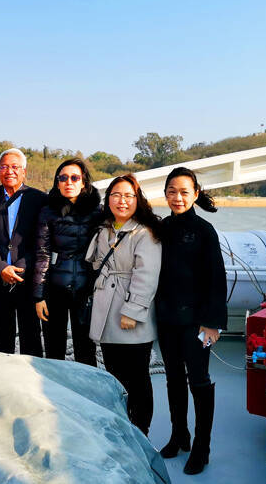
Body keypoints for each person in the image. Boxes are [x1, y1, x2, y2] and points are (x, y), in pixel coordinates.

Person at [156, 166, 228, 475]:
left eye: (184, 192)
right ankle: (179, 435)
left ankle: (202, 447)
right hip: (167, 318)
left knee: (199, 381)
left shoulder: (204, 231)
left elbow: (216, 279)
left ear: (195, 194)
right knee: (173, 378)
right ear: (165, 195)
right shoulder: (161, 228)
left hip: (197, 322)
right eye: (172, 191)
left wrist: (212, 323)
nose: (177, 197)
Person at [85, 173, 162, 436]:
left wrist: (132, 311)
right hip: (106, 310)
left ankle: (141, 429)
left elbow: (147, 276)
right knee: (114, 374)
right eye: (116, 195)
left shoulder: (144, 232)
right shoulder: (104, 228)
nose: (122, 201)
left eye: (128, 195)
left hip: (129, 313)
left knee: (138, 377)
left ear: (137, 199)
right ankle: (121, 424)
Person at [0, 148, 48, 356]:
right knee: (2, 338)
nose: (10, 171)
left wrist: (22, 267)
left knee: (31, 337)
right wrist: (1, 267)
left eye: (15, 167)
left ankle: (31, 384)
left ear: (24, 171)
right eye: (5, 167)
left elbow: (41, 240)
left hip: (27, 279)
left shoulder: (38, 199)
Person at [32, 158, 103, 366]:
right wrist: (38, 296)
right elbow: (42, 253)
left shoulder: (97, 212)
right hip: (55, 287)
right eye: (63, 178)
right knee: (54, 349)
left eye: (74, 178)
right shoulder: (48, 211)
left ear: (84, 183)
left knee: (86, 350)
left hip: (86, 288)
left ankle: (86, 395)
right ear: (57, 182)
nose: (68, 182)